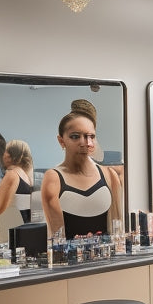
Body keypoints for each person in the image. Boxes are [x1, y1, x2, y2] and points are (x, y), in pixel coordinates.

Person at [41, 100, 122, 238]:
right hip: (70, 257)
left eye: (90, 136)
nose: (84, 143)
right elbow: (56, 238)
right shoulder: (53, 179)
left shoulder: (109, 175)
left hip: (108, 256)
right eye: (75, 137)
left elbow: (117, 230)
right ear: (61, 140)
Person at [0, 139, 34, 223]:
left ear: (10, 156)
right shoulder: (25, 176)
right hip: (24, 225)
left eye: (5, 152)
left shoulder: (12, 175)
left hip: (12, 228)